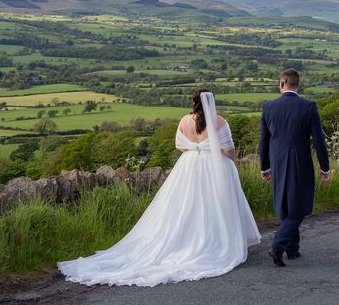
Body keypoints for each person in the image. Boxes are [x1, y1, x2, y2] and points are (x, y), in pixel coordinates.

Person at [58, 89, 261, 286]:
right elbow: (229, 151)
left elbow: (179, 146)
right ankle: (217, 241)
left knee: (186, 204)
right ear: (211, 102)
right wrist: (210, 149)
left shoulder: (183, 120)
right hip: (214, 167)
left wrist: (196, 148)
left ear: (193, 102)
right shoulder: (219, 121)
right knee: (216, 203)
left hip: (189, 165)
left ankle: (188, 239)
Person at [259, 69, 330, 267]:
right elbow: (319, 141)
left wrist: (264, 166)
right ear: (298, 85)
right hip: (300, 161)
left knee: (286, 203)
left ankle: (292, 248)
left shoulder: (268, 107)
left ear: (282, 84)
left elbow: (264, 140)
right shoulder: (308, 106)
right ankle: (278, 245)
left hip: (277, 161)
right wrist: (325, 167)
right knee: (299, 207)